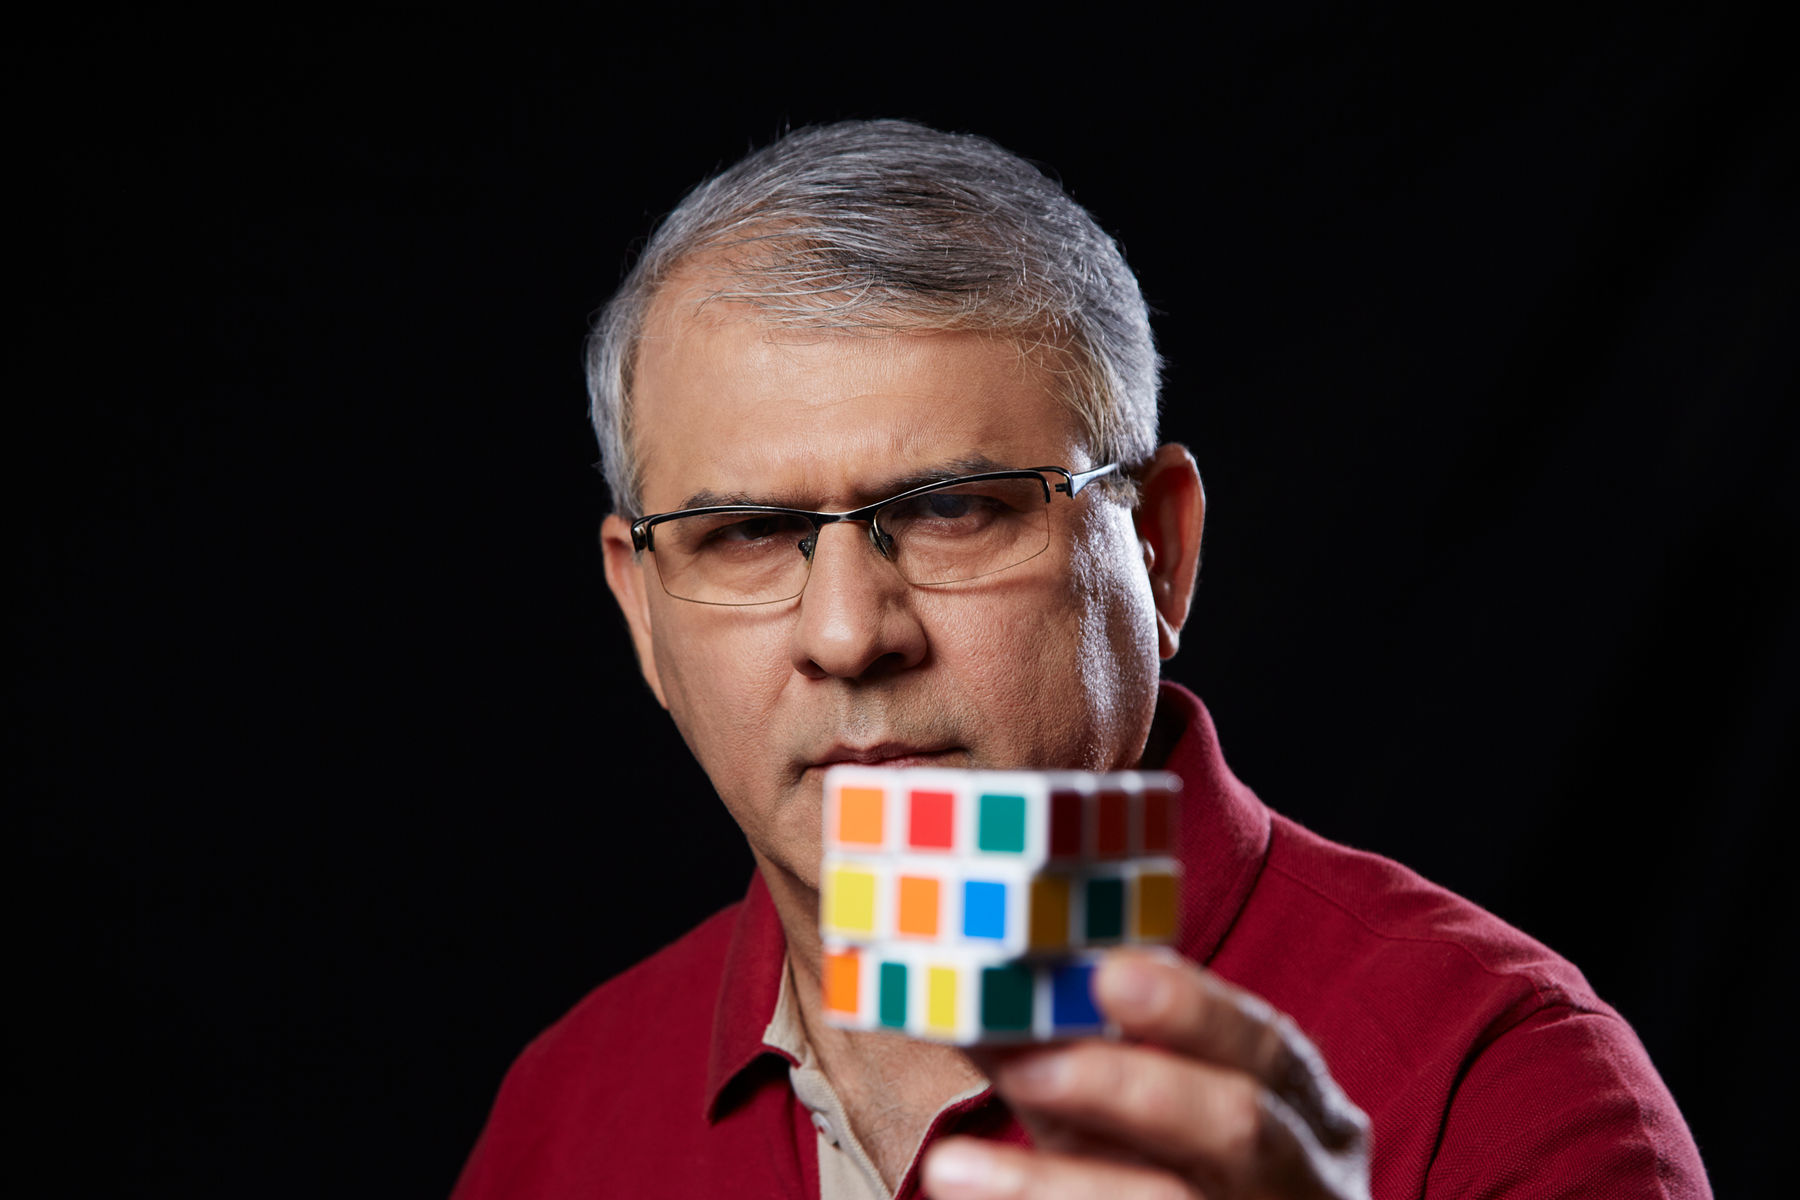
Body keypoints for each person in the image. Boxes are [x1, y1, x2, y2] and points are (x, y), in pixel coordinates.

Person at [451, 120, 1707, 1199]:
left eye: (956, 510)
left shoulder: (1499, 1080)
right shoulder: (564, 1113)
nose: (848, 636)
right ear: (641, 611)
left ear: (1159, 550)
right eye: (747, 534)